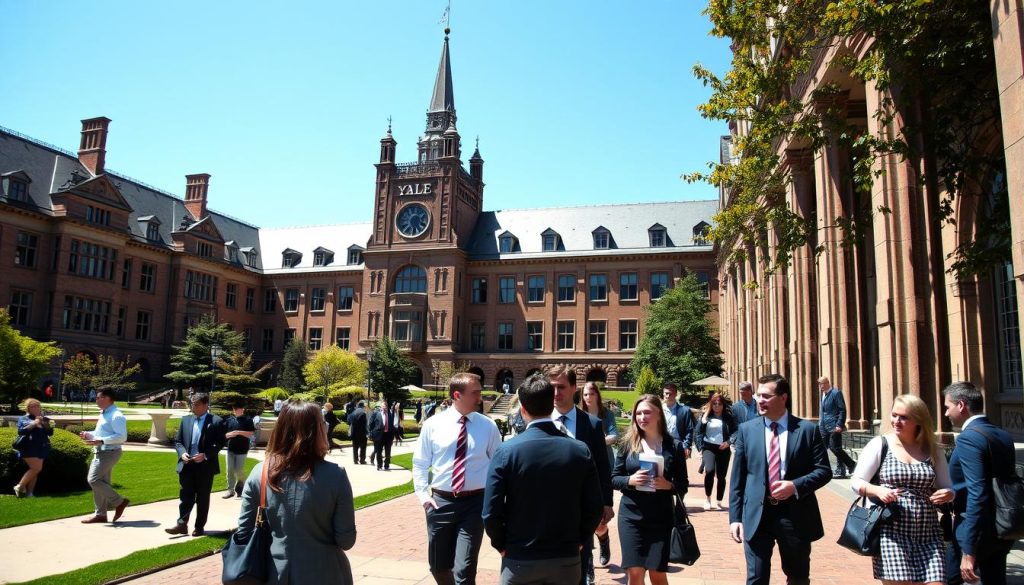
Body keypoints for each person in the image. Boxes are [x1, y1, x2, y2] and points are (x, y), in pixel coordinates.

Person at [483, 374, 604, 585]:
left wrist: (502, 545)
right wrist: (580, 540)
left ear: (522, 410)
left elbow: (491, 512)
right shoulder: (579, 450)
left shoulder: (506, 451)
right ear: (551, 404)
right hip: (566, 556)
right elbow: (594, 506)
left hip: (520, 556)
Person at [234, 399, 357, 583]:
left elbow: (244, 533)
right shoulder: (335, 475)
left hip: (274, 573)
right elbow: (346, 541)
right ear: (315, 431)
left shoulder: (260, 472)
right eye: (322, 423)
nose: (326, 426)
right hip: (326, 573)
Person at [728, 373, 832, 585]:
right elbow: (738, 479)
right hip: (757, 514)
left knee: (797, 576)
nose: (759, 400)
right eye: (758, 396)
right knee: (756, 577)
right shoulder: (747, 431)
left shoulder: (808, 431)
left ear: (783, 397)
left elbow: (823, 470)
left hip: (794, 515)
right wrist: (735, 518)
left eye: (766, 396)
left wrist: (795, 485)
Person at [849, 394, 953, 585]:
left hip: (927, 531)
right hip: (891, 530)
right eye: (894, 415)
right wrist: (877, 490)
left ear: (919, 420)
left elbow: (947, 486)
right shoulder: (881, 444)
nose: (897, 421)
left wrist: (948, 493)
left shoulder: (932, 449)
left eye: (904, 417)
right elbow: (856, 481)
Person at [413, 372, 501, 585]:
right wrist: (424, 496)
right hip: (440, 503)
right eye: (475, 393)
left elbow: (499, 467)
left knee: (465, 570)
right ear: (457, 395)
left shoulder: (488, 426)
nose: (480, 397)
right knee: (438, 566)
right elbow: (421, 463)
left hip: (474, 504)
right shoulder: (433, 425)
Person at [943, 381, 1016, 585]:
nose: (946, 414)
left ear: (961, 405)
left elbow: (978, 492)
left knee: (947, 580)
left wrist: (969, 549)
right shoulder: (1002, 434)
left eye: (948, 407)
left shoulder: (968, 438)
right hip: (1002, 526)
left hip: (972, 526)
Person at [611, 394, 689, 585]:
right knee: (635, 572)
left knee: (657, 573)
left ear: (659, 415)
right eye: (638, 413)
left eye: (647, 412)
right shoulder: (628, 444)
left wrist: (669, 485)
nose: (641, 417)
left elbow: (683, 483)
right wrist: (630, 480)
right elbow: (614, 478)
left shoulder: (674, 446)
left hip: (660, 517)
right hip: (631, 515)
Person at [546, 365, 613, 585]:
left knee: (581, 566)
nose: (556, 393)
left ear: (574, 388)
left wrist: (607, 503)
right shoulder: (542, 422)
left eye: (562, 387)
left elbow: (602, 466)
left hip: (582, 506)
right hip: (548, 507)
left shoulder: (592, 424)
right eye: (552, 387)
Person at [165, 394, 225, 537]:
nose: (193, 407)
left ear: (205, 405)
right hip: (187, 464)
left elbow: (220, 443)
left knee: (202, 498)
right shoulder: (186, 420)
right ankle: (181, 524)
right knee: (185, 496)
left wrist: (205, 455)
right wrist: (182, 453)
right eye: (192, 404)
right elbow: (178, 441)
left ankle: (199, 527)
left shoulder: (216, 421)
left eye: (196, 404)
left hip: (205, 466)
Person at [580, 381, 619, 567]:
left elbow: (614, 435)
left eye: (591, 394)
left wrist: (597, 440)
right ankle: (588, 567)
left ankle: (604, 540)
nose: (588, 398)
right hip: (583, 469)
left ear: (597, 395)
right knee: (583, 518)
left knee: (599, 521)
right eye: (585, 394)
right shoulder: (578, 415)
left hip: (603, 465)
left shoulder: (606, 415)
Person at [79, 387, 130, 524]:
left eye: (98, 397)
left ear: (108, 398)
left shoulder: (116, 415)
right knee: (101, 483)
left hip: (109, 452)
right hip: (102, 450)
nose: (96, 400)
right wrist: (89, 434)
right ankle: (100, 514)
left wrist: (101, 441)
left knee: (93, 480)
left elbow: (122, 436)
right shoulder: (104, 413)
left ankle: (119, 502)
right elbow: (101, 434)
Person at [695, 392, 738, 511]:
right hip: (709, 447)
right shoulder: (705, 416)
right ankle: (708, 498)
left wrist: (729, 442)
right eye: (714, 404)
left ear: (723, 405)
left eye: (719, 404)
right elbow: (698, 432)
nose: (717, 406)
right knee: (709, 471)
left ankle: (719, 500)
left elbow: (735, 431)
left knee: (721, 476)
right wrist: (700, 448)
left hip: (723, 448)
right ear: (711, 405)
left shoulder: (728, 417)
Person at [818, 376, 858, 478]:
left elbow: (842, 410)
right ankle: (837, 470)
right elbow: (823, 412)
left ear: (827, 383)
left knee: (834, 447)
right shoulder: (823, 395)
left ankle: (851, 464)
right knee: (822, 448)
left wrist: (839, 424)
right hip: (823, 427)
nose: (820, 386)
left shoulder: (836, 393)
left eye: (821, 384)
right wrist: (820, 424)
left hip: (834, 426)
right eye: (819, 384)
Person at [13, 399, 53, 498]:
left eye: (37, 406)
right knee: (36, 468)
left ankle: (30, 493)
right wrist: (35, 423)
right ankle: (20, 486)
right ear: (28, 408)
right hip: (28, 448)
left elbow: (50, 433)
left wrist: (45, 424)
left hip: (42, 448)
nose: (36, 408)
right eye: (32, 406)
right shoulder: (24, 419)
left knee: (34, 470)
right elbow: (21, 431)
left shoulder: (45, 419)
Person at [222, 404, 255, 499]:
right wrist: (229, 434)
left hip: (242, 449)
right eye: (235, 409)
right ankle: (230, 490)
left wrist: (239, 432)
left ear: (243, 409)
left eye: (238, 408)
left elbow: (250, 433)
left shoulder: (248, 420)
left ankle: (242, 486)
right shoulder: (230, 420)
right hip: (230, 449)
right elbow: (224, 434)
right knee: (229, 470)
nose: (236, 410)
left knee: (239, 470)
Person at [662, 383, 695, 458]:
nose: (668, 396)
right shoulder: (658, 410)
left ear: (675, 394)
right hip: (661, 444)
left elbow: (689, 429)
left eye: (671, 394)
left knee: (679, 469)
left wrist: (687, 446)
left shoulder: (684, 410)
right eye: (666, 393)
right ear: (663, 393)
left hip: (678, 444)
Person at [367, 401, 395, 470]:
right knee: (378, 451)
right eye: (383, 407)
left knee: (388, 451)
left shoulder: (390, 414)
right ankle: (379, 465)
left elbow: (391, 426)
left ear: (387, 407)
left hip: (388, 436)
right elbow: (370, 424)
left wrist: (392, 436)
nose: (384, 408)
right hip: (378, 436)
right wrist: (371, 433)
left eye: (385, 407)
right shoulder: (376, 414)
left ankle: (387, 464)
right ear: (381, 407)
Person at [347, 401, 368, 465]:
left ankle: (355, 460)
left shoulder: (353, 412)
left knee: (355, 447)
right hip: (362, 433)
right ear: (363, 406)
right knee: (363, 447)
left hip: (354, 432)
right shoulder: (363, 413)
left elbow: (348, 421)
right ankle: (362, 460)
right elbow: (365, 424)